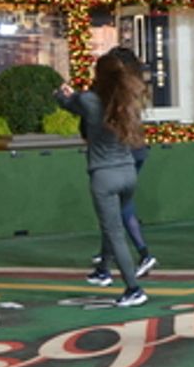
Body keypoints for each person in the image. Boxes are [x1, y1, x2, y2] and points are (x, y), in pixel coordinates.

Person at [57, 50, 152, 307]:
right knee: (114, 228)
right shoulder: (127, 101)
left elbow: (66, 103)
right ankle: (103, 271)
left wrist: (61, 93)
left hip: (104, 176)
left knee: (114, 233)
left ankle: (134, 288)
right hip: (128, 172)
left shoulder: (90, 100)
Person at [88, 47, 157, 284]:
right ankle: (105, 266)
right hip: (134, 153)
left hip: (118, 158)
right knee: (116, 212)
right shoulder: (132, 88)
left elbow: (86, 120)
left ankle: (142, 253)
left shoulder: (107, 92)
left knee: (118, 214)